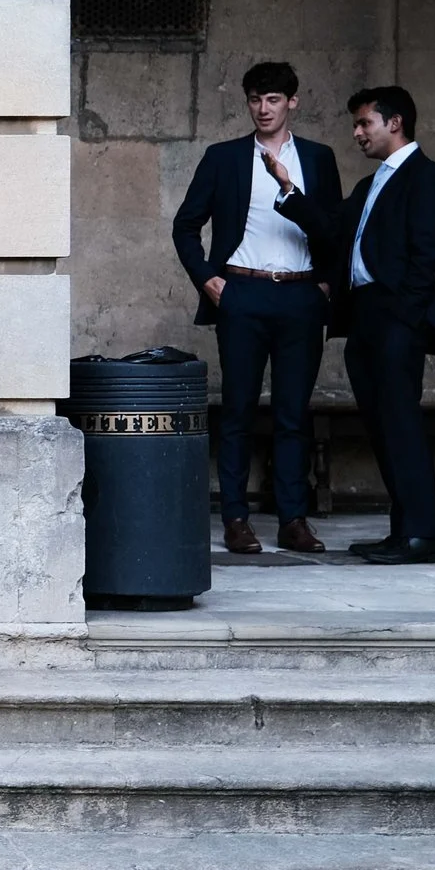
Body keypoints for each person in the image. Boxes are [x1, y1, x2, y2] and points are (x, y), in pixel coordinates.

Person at [273, 85, 435, 565]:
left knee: (401, 425)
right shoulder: (370, 183)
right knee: (382, 428)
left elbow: (427, 256)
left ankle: (422, 536)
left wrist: (405, 319)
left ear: (394, 123)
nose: (357, 133)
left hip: (395, 317)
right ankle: (404, 533)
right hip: (365, 318)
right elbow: (333, 227)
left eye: (364, 123)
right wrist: (290, 191)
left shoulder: (426, 177)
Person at [170, 61, 344, 556]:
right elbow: (185, 226)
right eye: (255, 99)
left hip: (300, 295)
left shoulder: (318, 158)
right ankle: (236, 518)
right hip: (240, 294)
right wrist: (209, 281)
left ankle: (293, 519)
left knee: (294, 413)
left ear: (293, 102)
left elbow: (334, 231)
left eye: (272, 99)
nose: (263, 109)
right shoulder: (224, 157)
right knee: (238, 411)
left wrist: (326, 287)